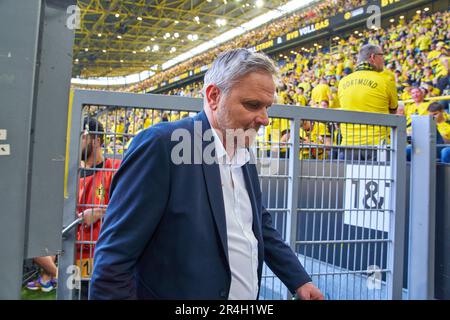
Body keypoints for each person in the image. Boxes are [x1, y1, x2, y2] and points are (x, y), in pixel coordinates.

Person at [90, 48, 324, 300]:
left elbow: (259, 227)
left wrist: (299, 280)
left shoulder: (244, 153)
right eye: (253, 105)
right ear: (213, 96)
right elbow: (113, 263)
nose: (265, 119)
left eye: (267, 107)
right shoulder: (162, 145)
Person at [76, 117, 121, 299]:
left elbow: (129, 208)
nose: (77, 142)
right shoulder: (71, 174)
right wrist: (80, 217)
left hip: (106, 257)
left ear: (96, 141)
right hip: (75, 258)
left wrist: (103, 212)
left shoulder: (115, 169)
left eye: (82, 137)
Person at [337, 44, 398, 160]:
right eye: (382, 56)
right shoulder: (386, 80)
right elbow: (393, 110)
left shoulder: (343, 82)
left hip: (348, 146)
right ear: (373, 57)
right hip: (379, 146)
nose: (383, 60)